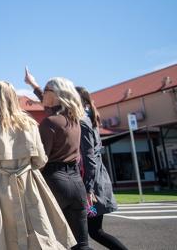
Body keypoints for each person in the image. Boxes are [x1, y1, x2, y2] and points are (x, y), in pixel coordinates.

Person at [0, 81, 77, 250]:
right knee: (37, 238)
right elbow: (41, 160)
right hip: (29, 186)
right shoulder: (29, 123)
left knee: (1, 241)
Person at [25, 68, 92, 250]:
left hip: (54, 183)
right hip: (76, 184)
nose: (43, 93)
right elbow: (47, 105)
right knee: (82, 244)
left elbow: (40, 160)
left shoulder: (50, 123)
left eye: (46, 90)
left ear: (56, 95)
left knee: (53, 242)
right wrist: (34, 85)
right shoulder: (75, 120)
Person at [76, 86, 128, 250]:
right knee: (90, 231)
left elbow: (90, 160)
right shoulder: (89, 117)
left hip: (93, 189)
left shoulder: (83, 121)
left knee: (92, 231)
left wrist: (88, 189)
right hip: (94, 185)